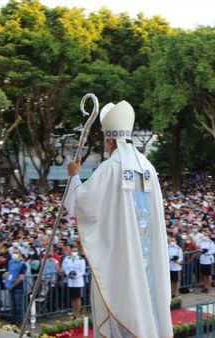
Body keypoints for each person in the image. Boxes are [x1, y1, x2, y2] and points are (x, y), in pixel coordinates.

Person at [64, 101, 173, 337]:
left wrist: (74, 176)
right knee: (148, 305)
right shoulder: (149, 168)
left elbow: (82, 205)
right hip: (147, 262)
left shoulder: (110, 168)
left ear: (110, 141)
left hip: (121, 261)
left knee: (120, 305)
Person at [3, 247, 27, 324]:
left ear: (20, 254)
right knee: (12, 305)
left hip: (18, 288)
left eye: (16, 253)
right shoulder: (10, 262)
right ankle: (13, 320)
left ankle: (21, 322)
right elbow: (9, 272)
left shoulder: (23, 265)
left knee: (19, 306)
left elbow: (21, 277)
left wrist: (13, 285)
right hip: (11, 286)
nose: (14, 254)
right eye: (13, 253)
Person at [62, 247, 86, 319]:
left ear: (78, 252)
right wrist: (69, 274)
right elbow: (65, 268)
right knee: (72, 298)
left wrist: (76, 276)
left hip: (78, 281)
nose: (74, 252)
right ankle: (74, 311)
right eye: (73, 250)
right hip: (70, 281)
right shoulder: (67, 259)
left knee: (77, 298)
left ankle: (77, 313)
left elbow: (82, 271)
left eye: (75, 251)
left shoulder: (81, 260)